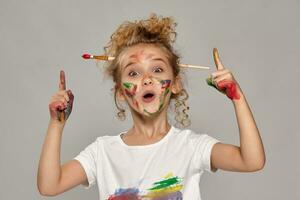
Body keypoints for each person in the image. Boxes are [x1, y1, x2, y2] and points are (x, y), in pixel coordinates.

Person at [37, 14, 265, 200]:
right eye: (134, 73)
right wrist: (56, 125)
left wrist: (238, 98)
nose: (146, 79)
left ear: (175, 84)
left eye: (157, 70)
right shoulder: (102, 152)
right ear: (121, 92)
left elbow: (252, 161)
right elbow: (49, 186)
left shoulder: (191, 147)